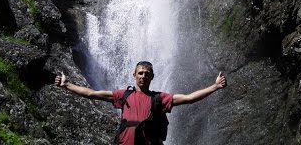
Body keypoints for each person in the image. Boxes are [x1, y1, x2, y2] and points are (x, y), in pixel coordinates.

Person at [55, 61, 227, 145]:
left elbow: (189, 98)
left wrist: (215, 86)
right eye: (141, 73)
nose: (143, 76)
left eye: (147, 74)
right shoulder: (123, 95)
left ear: (152, 77)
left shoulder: (159, 98)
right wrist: (66, 84)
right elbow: (92, 93)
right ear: (134, 75)